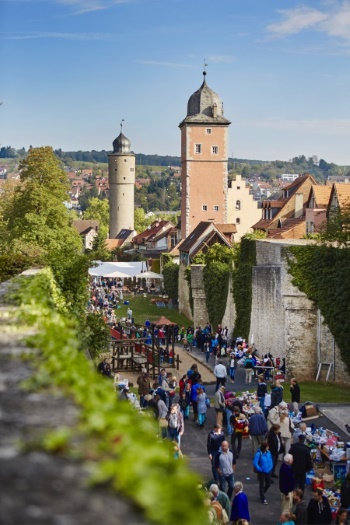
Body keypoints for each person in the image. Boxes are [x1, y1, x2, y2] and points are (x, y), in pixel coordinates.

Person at [253, 440, 273, 505]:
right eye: (267, 447)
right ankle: (262, 498)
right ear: (264, 447)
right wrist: (260, 469)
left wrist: (270, 466)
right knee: (261, 485)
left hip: (268, 471)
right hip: (262, 472)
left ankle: (262, 492)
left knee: (268, 483)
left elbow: (270, 460)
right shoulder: (258, 454)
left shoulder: (268, 452)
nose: (268, 448)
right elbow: (255, 463)